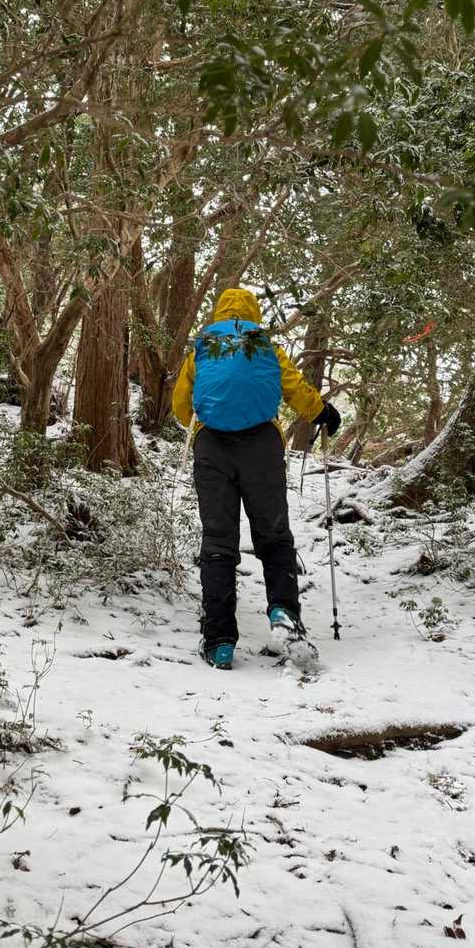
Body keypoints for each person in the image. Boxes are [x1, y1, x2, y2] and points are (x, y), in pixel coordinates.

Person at [171, 287, 342, 670]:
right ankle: (284, 612)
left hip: (212, 448)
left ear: (219, 312)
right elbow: (295, 388)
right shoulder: (266, 346)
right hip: (262, 445)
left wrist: (208, 423)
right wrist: (322, 413)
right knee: (274, 536)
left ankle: (219, 642)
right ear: (253, 313)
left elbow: (181, 406)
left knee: (218, 541)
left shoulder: (202, 348)